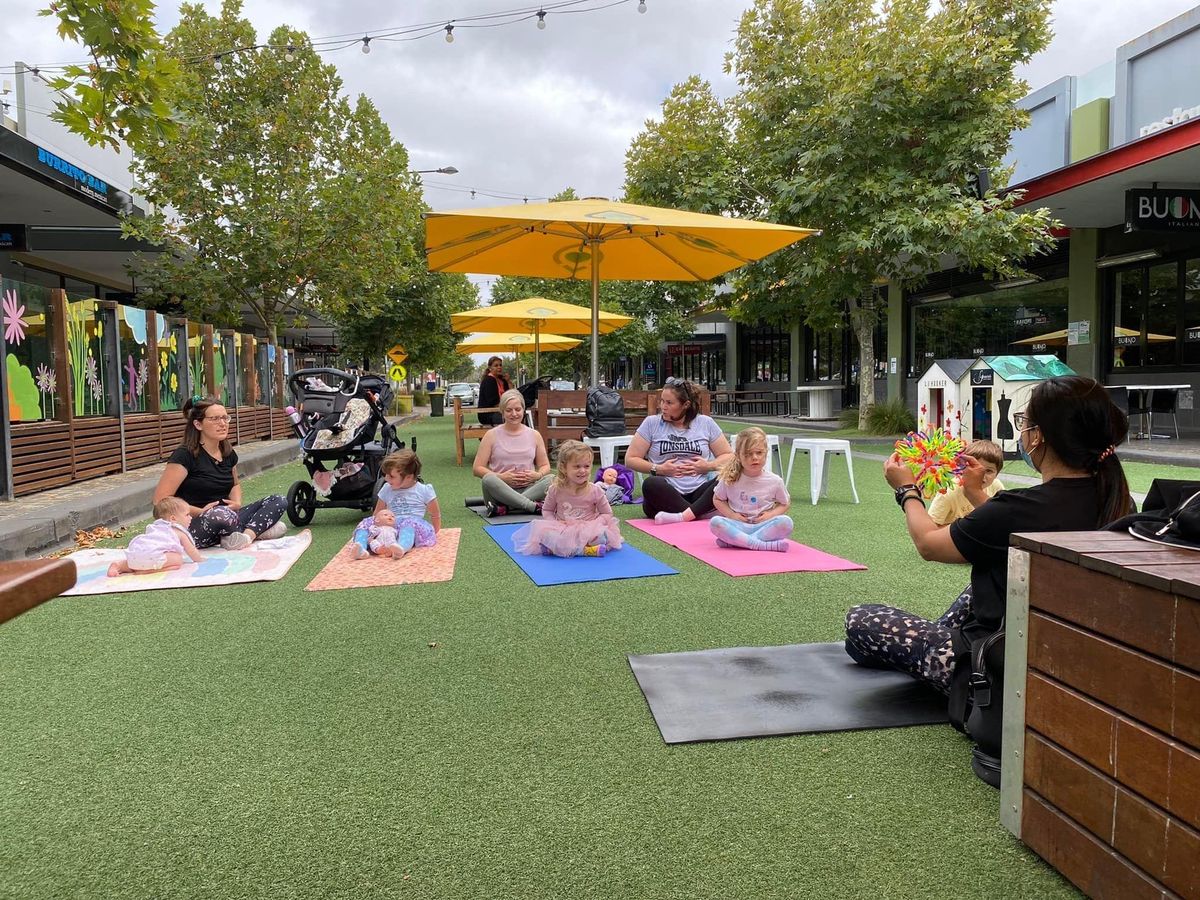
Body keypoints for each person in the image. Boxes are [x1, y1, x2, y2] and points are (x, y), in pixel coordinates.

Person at [844, 376, 1132, 784]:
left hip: (997, 666)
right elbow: (1002, 528)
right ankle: (936, 648)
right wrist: (979, 494)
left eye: (1025, 422)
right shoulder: (1116, 498)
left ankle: (941, 666)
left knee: (862, 621)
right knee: (977, 585)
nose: (1023, 431)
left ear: (1040, 437)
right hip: (1057, 646)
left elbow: (929, 543)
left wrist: (907, 489)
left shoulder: (1020, 508)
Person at [153, 397, 288, 550]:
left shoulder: (227, 453)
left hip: (228, 516)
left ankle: (245, 537)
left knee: (279, 500)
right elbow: (160, 499)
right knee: (220, 515)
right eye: (215, 419)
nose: (223, 424)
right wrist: (200, 511)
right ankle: (246, 532)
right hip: (196, 523)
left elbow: (234, 484)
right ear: (198, 424)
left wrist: (237, 503)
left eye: (225, 418)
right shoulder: (184, 455)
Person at [626, 379, 733, 523]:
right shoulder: (651, 423)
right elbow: (631, 459)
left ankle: (684, 516)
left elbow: (729, 456)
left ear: (685, 405)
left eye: (669, 403)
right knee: (651, 484)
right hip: (666, 492)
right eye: (662, 401)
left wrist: (708, 466)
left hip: (699, 491)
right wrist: (659, 469)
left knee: (729, 476)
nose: (663, 407)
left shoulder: (705, 423)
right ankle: (698, 514)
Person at [513, 440, 622, 558]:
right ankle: (585, 551)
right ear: (564, 468)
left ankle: (559, 549)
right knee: (546, 535)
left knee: (602, 535)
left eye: (586, 466)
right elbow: (547, 510)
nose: (582, 470)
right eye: (577, 466)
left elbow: (606, 512)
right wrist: (554, 524)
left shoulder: (595, 490)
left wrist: (595, 524)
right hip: (563, 529)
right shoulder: (555, 489)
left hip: (588, 529)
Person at [710, 426, 793, 552]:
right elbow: (717, 499)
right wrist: (732, 515)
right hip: (738, 525)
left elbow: (785, 503)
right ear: (738, 456)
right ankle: (761, 545)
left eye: (759, 452)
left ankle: (737, 542)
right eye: (748, 454)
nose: (754, 457)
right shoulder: (730, 478)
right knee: (715, 522)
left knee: (786, 522)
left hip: (763, 526)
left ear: (766, 452)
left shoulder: (775, 481)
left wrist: (771, 515)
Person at [472, 389, 553, 516]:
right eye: (509, 410)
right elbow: (477, 468)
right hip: (499, 491)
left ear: (523, 410)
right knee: (488, 479)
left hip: (529, 488)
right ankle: (531, 506)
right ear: (502, 412)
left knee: (552, 479)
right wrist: (501, 477)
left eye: (517, 409)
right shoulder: (491, 435)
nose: (514, 414)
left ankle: (507, 508)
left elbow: (545, 466)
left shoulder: (534, 435)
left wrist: (537, 475)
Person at [354, 449, 441, 560]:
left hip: (411, 526)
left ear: (409, 476)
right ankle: (360, 547)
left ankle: (401, 548)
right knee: (366, 522)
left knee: (408, 524)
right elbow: (377, 513)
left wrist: (435, 531)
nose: (386, 478)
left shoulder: (424, 490)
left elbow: (435, 513)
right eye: (385, 475)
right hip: (390, 526)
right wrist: (372, 527)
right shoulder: (387, 489)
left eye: (391, 476)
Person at [107, 496, 205, 577]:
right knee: (178, 559)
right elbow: (191, 551)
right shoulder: (178, 531)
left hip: (136, 555)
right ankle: (148, 571)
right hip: (154, 558)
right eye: (187, 515)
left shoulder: (155, 527)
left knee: (136, 561)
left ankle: (119, 565)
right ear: (173, 519)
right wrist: (200, 559)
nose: (190, 517)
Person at [927, 439, 1006, 527]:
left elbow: (1003, 518)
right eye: (975, 467)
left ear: (997, 474)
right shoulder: (949, 491)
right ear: (963, 468)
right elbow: (931, 526)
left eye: (989, 471)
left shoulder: (996, 487)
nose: (981, 474)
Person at [477, 356, 511, 426]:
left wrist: (508, 381)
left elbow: (511, 394)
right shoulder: (489, 380)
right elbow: (493, 402)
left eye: (500, 365)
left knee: (518, 416)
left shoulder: (502, 380)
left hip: (500, 411)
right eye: (496, 365)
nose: (499, 367)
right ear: (490, 368)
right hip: (488, 414)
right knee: (512, 418)